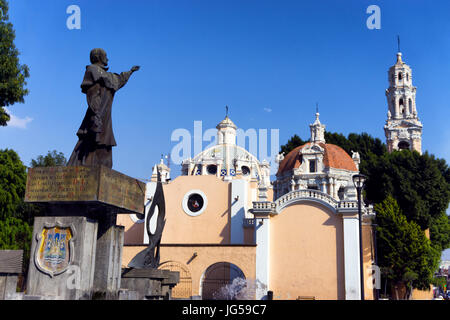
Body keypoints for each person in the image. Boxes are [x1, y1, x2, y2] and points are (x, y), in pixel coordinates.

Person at [67, 48, 140, 168]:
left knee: (104, 141)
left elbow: (119, 79)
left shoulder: (108, 76)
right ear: (99, 57)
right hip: (97, 112)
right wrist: (96, 114)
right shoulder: (92, 70)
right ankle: (81, 166)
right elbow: (92, 93)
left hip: (105, 115)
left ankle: (101, 169)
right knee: (91, 139)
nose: (108, 58)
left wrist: (131, 72)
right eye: (105, 56)